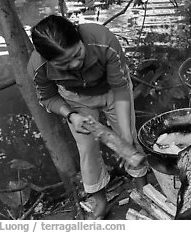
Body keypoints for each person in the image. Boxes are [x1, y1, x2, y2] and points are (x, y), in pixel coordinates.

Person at [27, 15, 148, 219]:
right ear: (47, 60)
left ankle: (143, 189)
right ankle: (99, 201)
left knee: (129, 139)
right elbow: (48, 98)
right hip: (75, 99)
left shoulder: (103, 40)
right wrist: (71, 115)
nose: (74, 64)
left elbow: (120, 88)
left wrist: (125, 136)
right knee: (87, 149)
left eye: (78, 54)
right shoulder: (38, 67)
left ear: (79, 37)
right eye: (64, 63)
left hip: (112, 90)